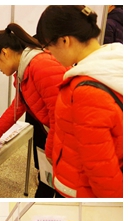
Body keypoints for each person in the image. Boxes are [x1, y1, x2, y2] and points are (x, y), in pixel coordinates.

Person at [36, 5, 123, 198]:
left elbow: (102, 173)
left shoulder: (86, 91)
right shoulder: (113, 63)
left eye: (48, 46)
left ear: (64, 40)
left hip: (83, 190)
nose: (49, 53)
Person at [0, 23, 67, 198]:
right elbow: (16, 108)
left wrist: (51, 149)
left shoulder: (40, 65)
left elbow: (60, 116)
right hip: (58, 137)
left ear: (5, 53)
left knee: (63, 190)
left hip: (68, 140)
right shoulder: (24, 71)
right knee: (47, 184)